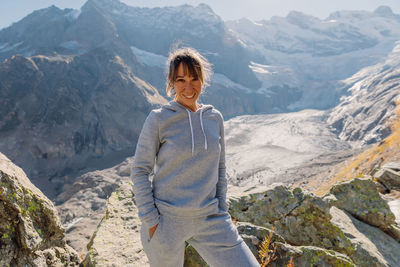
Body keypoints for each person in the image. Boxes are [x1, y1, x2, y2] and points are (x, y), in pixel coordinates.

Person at [131, 47, 259, 267]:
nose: (188, 87)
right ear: (171, 82)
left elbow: (220, 168)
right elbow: (140, 170)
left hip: (211, 219)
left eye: (194, 79)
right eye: (180, 80)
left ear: (203, 80)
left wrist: (222, 209)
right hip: (166, 223)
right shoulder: (159, 119)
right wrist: (152, 221)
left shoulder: (214, 118)